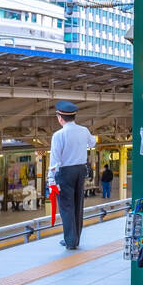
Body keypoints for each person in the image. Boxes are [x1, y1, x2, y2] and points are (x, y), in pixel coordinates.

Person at [49, 101, 95, 250]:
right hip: (80, 170)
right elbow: (93, 143)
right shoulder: (84, 130)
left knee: (66, 206)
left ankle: (70, 240)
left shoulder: (58, 135)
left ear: (60, 118)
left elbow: (55, 159)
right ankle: (76, 238)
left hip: (65, 172)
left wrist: (51, 179)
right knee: (78, 204)